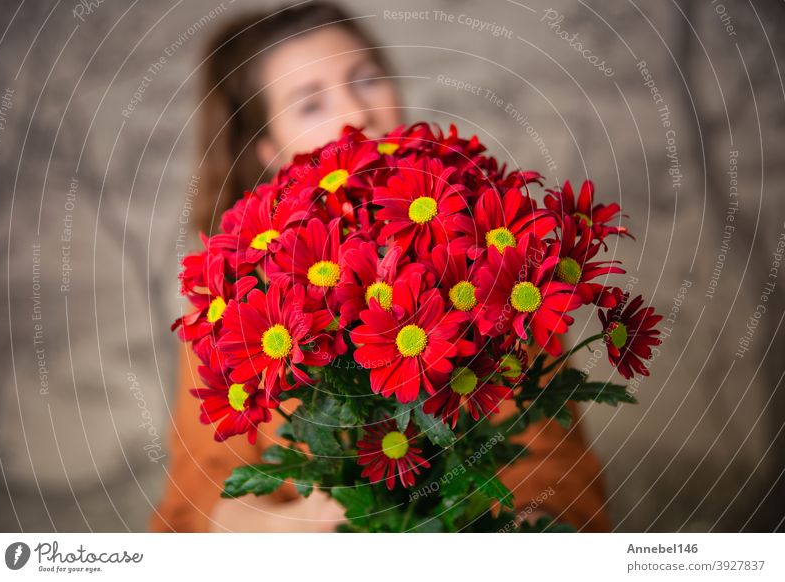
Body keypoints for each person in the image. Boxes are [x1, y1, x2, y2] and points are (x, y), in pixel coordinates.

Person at [150, 1, 611, 533]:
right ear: (268, 150)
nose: (356, 112)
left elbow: (555, 468)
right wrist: (288, 530)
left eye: (366, 80)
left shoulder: (492, 268)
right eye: (310, 103)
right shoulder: (232, 307)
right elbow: (195, 500)